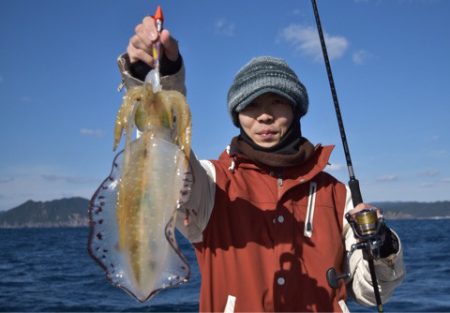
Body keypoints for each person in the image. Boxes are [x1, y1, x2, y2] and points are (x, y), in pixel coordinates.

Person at [117, 15, 405, 312]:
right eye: (251, 105)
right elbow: (164, 147)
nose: (264, 115)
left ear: (295, 110)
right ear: (237, 115)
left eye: (277, 102)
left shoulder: (337, 194)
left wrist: (381, 247)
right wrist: (157, 78)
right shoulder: (211, 183)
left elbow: (371, 293)